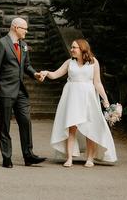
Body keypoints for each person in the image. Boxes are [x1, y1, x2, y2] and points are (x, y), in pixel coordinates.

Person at [40, 39, 117, 168]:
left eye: (74, 47)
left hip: (88, 97)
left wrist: (105, 100)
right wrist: (46, 72)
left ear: (82, 49)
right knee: (71, 127)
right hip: (72, 98)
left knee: (90, 127)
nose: (71, 50)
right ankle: (69, 158)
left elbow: (97, 83)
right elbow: (55, 74)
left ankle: (90, 158)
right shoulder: (69, 62)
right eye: (71, 47)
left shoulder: (93, 62)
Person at [0, 17, 47, 168]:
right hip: (5, 90)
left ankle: (28, 156)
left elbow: (26, 65)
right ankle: (6, 157)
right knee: (5, 125)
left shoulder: (24, 45)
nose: (26, 32)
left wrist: (35, 74)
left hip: (20, 90)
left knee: (26, 121)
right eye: (24, 29)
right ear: (15, 27)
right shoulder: (1, 44)